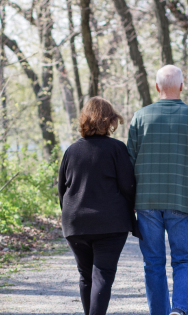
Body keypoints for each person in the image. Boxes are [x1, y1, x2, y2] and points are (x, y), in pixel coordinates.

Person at [127, 65, 188, 315]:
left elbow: (128, 162)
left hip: (145, 202)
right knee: (184, 260)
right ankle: (178, 309)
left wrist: (129, 198)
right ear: (181, 86)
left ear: (157, 87)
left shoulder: (140, 116)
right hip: (181, 199)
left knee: (153, 263)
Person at [58, 96, 140, 315]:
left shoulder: (71, 151)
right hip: (110, 224)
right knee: (102, 274)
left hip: (75, 223)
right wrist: (134, 210)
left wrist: (70, 215)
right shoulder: (116, 149)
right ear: (110, 120)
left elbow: (62, 190)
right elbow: (128, 185)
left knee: (85, 275)